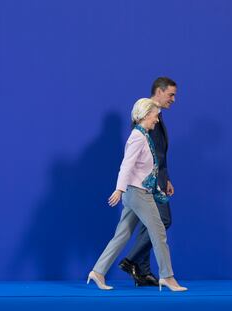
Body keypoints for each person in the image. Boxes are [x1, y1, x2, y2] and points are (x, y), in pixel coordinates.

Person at [87, 98, 186, 291]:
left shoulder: (143, 135)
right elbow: (126, 165)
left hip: (136, 192)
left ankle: (98, 272)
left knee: (121, 235)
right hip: (138, 194)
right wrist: (119, 188)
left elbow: (144, 169)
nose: (157, 120)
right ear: (146, 115)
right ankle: (167, 276)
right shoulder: (137, 137)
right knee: (158, 233)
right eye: (155, 116)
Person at [119, 77, 177, 287]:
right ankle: (132, 260)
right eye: (171, 94)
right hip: (147, 181)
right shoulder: (146, 115)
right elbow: (144, 154)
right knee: (162, 221)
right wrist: (156, 180)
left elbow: (160, 152)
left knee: (149, 223)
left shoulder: (158, 116)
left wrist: (166, 176)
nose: (173, 99)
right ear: (159, 92)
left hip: (157, 178)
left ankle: (141, 271)